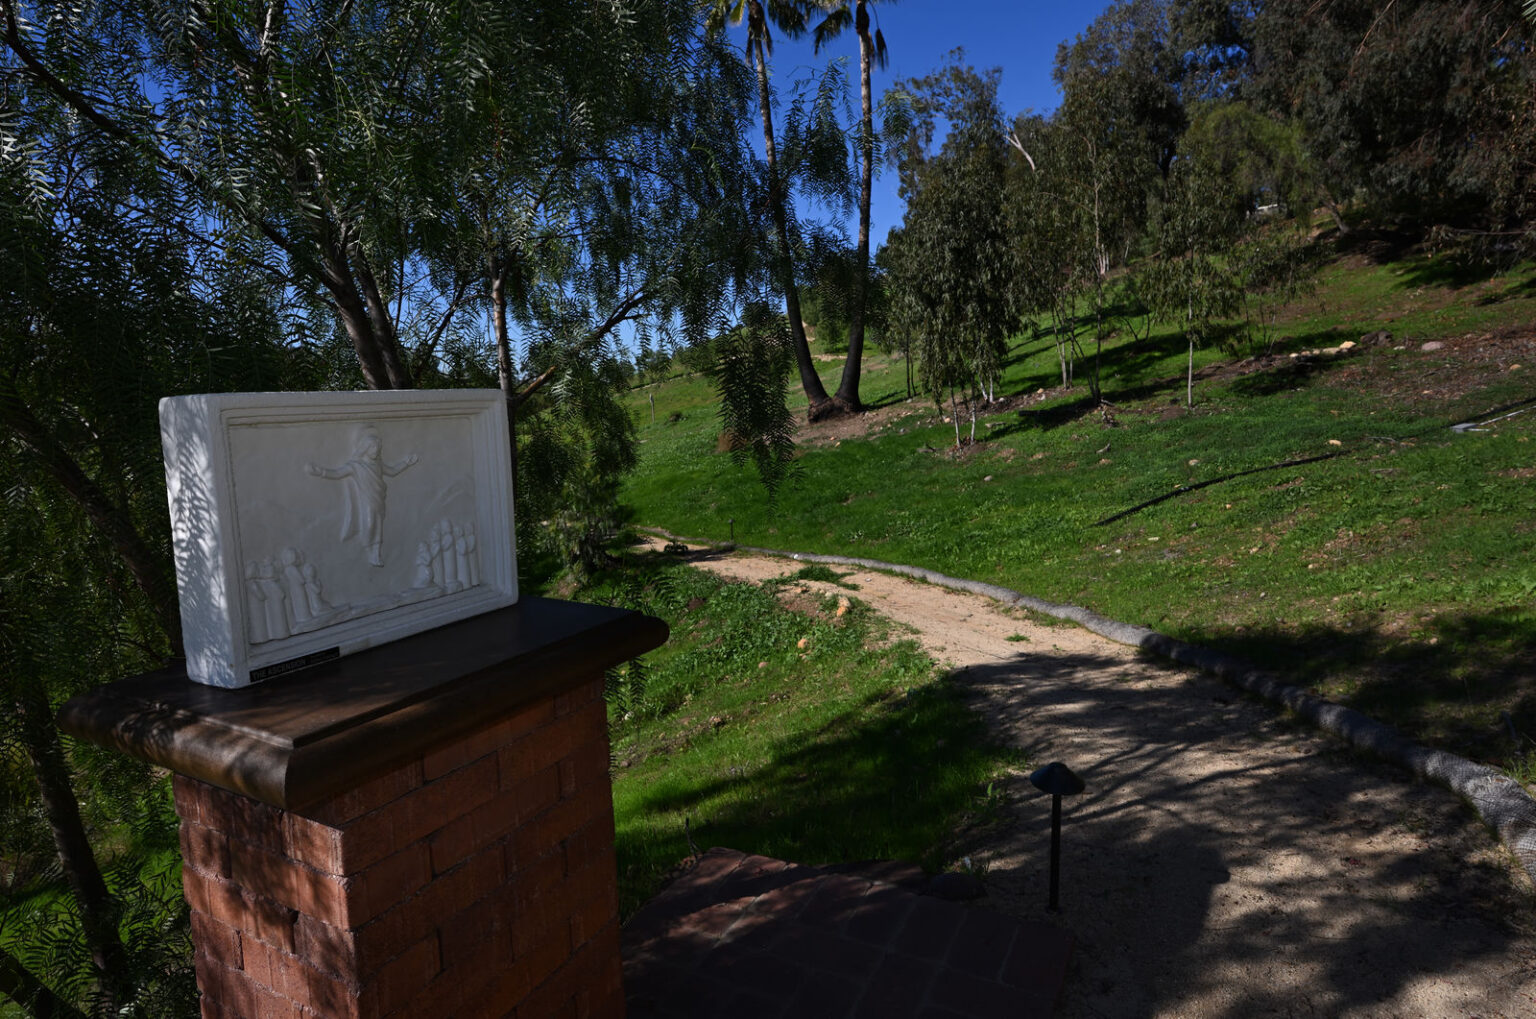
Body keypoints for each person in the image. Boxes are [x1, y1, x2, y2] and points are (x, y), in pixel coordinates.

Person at [307, 425, 418, 566]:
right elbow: (337, 473)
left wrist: (406, 463)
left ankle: (375, 553)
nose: (375, 451)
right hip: (366, 500)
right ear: (364, 448)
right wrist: (320, 471)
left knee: (378, 525)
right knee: (370, 523)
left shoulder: (377, 464)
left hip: (378, 499)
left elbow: (392, 471)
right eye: (372, 448)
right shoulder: (355, 466)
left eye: (377, 449)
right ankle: (367, 549)